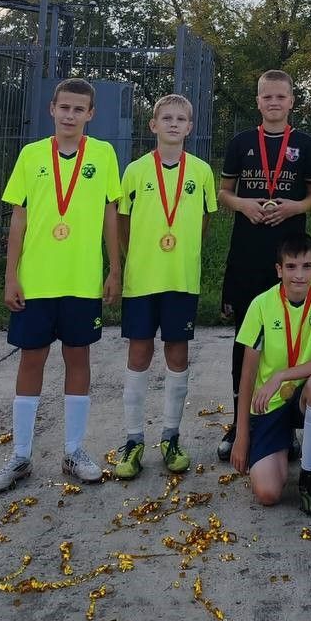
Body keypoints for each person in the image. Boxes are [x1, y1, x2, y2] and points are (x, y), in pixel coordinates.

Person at [0, 78, 121, 492]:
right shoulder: (31, 155)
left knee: (78, 359)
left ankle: (74, 450)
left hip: (81, 280)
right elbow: (19, 218)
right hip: (37, 280)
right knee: (32, 360)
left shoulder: (103, 154)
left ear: (90, 114)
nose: (70, 115)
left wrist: (115, 268)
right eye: (64, 107)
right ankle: (20, 454)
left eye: (79, 109)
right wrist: (11, 275)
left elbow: (110, 214)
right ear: (52, 109)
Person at [217, 70, 311, 461]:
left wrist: (295, 208)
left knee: (290, 340)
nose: (274, 103)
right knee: (246, 341)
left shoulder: (305, 144)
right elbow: (224, 192)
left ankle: (285, 424)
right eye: (267, 97)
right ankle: (238, 421)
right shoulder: (241, 142)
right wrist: (243, 204)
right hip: (247, 255)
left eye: (281, 96)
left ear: (292, 101)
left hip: (291, 259)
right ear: (258, 101)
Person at [114, 94, 217, 479]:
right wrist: (135, 256)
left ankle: (171, 436)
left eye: (181, 119)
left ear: (190, 127)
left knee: (177, 352)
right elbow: (123, 221)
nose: (174, 124)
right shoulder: (135, 170)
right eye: (167, 118)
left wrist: (183, 253)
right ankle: (133, 438)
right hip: (142, 279)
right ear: (153, 125)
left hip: (181, 279)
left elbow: (205, 221)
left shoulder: (201, 172)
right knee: (139, 351)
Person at [230, 233, 311, 514]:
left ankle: (308, 476)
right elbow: (247, 376)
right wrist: (241, 436)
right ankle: (282, 439)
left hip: (304, 395)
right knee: (267, 493)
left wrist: (281, 375)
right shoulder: (261, 305)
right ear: (279, 270)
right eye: (291, 267)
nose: (299, 275)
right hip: (270, 403)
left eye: (306, 266)